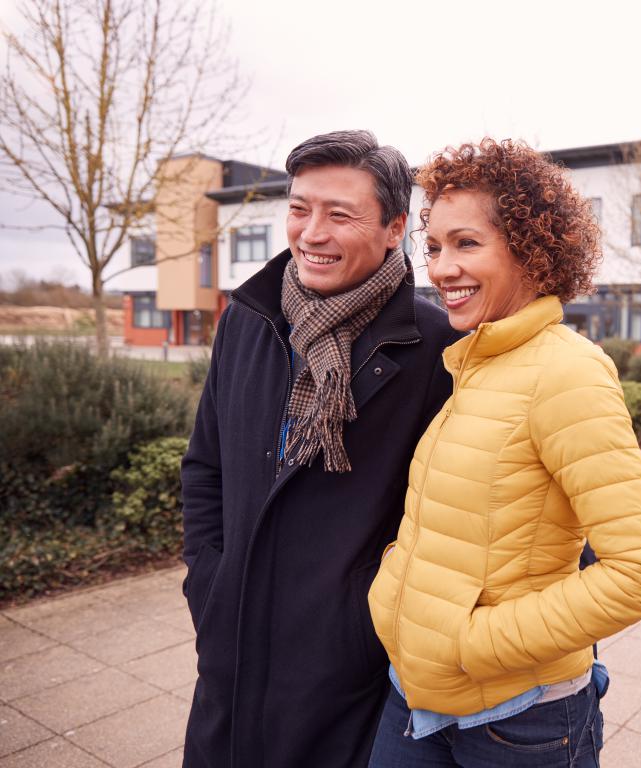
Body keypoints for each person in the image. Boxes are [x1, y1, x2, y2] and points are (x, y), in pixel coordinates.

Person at [367, 138, 641, 767]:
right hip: (416, 694)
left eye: (467, 243)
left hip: (520, 715)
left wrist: (473, 641)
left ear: (532, 251)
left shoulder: (569, 372)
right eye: (433, 247)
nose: (442, 268)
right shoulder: (478, 360)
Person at [180, 130, 461, 767]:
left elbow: (457, 513)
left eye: (340, 214)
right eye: (300, 208)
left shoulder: (437, 346)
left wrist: (363, 620)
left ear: (394, 229)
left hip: (342, 668)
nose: (311, 233)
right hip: (233, 641)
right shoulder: (248, 318)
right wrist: (209, 580)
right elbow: (206, 465)